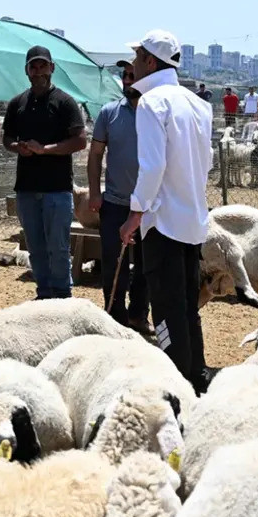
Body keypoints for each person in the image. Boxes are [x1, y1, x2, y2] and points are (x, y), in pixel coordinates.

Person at [119, 29, 213, 393]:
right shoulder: (199, 104)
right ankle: (197, 379)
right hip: (192, 221)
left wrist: (135, 212)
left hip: (163, 224)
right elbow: (205, 164)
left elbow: (153, 166)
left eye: (137, 56)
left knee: (166, 311)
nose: (133, 63)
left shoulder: (151, 103)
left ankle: (176, 387)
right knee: (187, 307)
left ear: (150, 61)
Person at [2, 46, 88, 300]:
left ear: (52, 68)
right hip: (27, 189)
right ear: (27, 70)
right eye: (33, 67)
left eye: (43, 66)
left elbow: (80, 141)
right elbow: (7, 138)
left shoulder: (65, 102)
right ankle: (44, 294)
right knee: (36, 247)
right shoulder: (17, 103)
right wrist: (17, 147)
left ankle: (62, 296)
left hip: (57, 189)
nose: (38, 71)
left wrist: (45, 150)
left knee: (58, 248)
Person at [87, 58, 150, 334]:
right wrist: (94, 192)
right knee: (114, 265)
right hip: (114, 203)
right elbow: (95, 154)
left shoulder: (155, 114)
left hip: (149, 206)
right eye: (124, 75)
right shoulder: (108, 113)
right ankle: (114, 318)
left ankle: (139, 315)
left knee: (146, 266)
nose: (126, 80)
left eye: (132, 75)